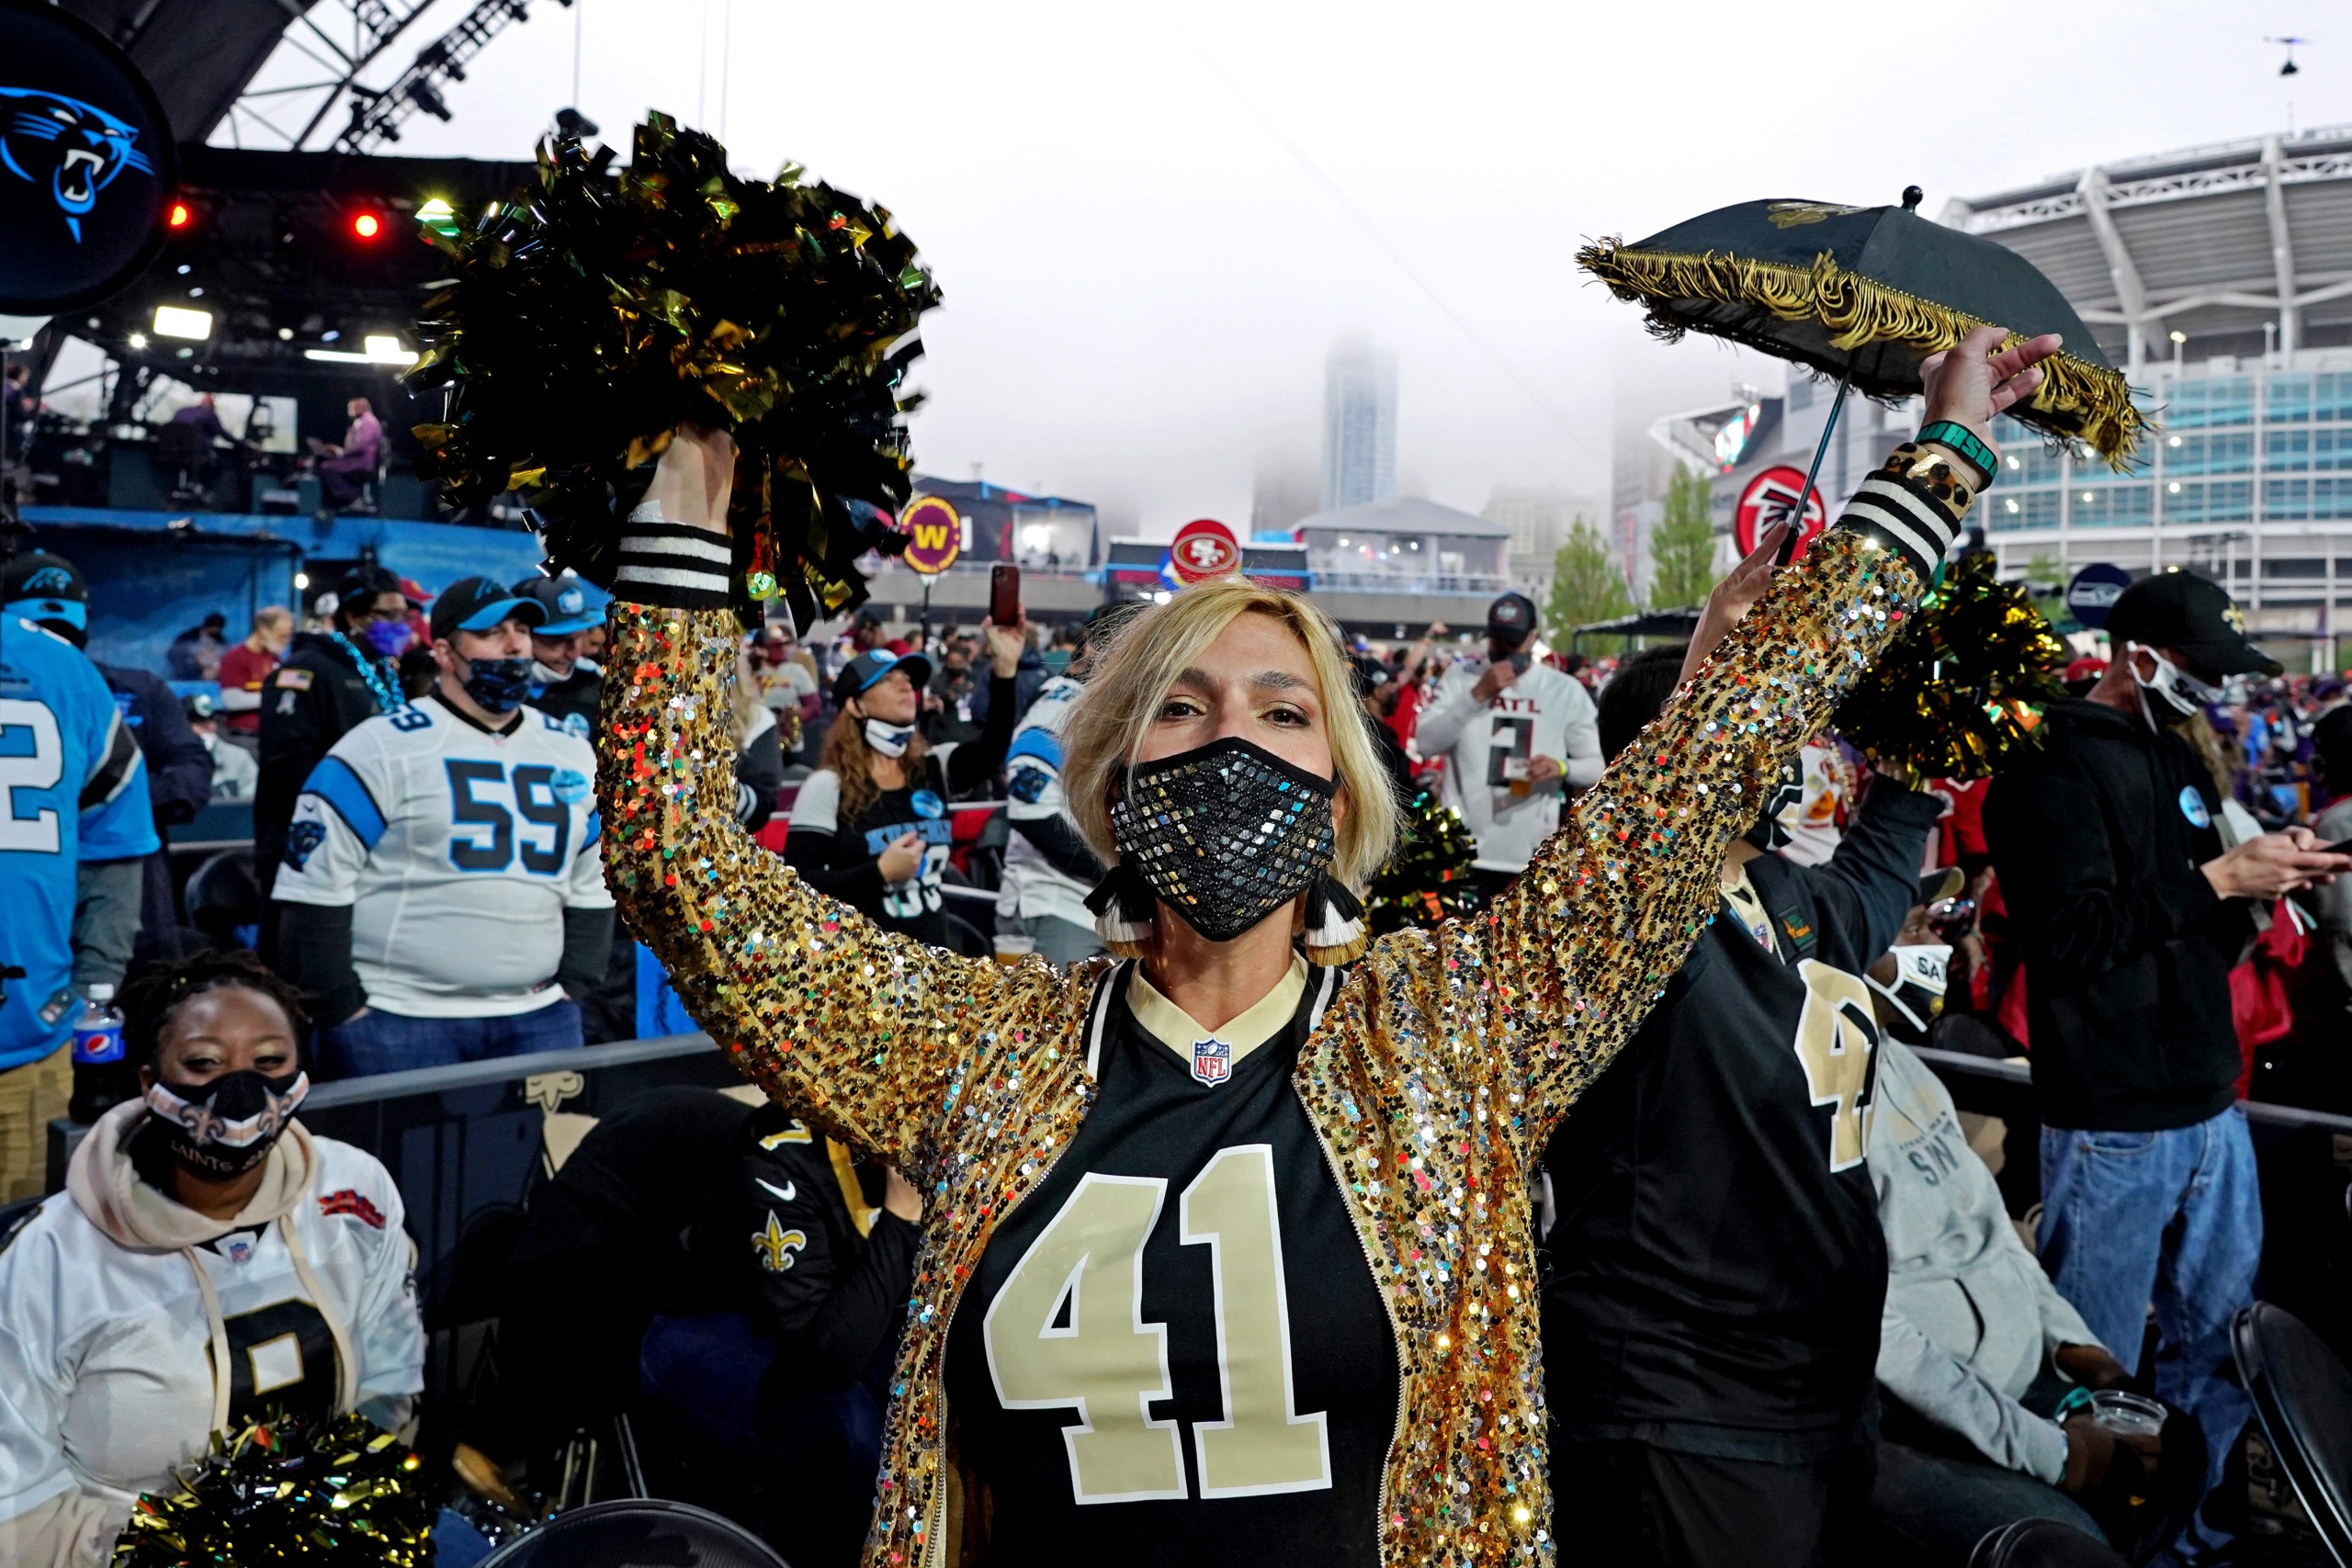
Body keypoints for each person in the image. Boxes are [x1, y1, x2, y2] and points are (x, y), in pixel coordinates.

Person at [590, 325, 2027, 1564]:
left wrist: (1939, 456)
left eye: (1284, 712)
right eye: (1181, 704)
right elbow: (677, 867)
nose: (1231, 735)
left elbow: (1700, 771)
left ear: (1341, 792)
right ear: (1110, 778)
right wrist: (686, 504)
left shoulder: (1455, 1034)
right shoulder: (979, 1047)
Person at [1539, 635, 1947, 1568]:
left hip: (1820, 1380)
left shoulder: (1782, 892)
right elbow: (1635, 866)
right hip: (1684, 1395)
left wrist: (1930, 742)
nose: (1790, 752)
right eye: (1762, 726)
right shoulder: (1622, 921)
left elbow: (1880, 868)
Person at [1983, 570, 2351, 1562]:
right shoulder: (2046, 763)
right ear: (2133, 656)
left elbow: (2183, 913)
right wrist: (2220, 878)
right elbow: (2070, 937)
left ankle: (2184, 1545)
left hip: (2208, 1101)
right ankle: (2078, 1547)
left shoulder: (2171, 755)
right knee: (2093, 1373)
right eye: (2201, 670)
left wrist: (2260, 880)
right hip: (2111, 1117)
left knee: (2218, 1353)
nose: (2215, 691)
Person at [0, 950, 423, 1566]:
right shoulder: (47, 1259)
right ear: (149, 1080)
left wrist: (357, 1505)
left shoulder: (352, 1190)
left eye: (270, 1061)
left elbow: (392, 1376)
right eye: (204, 1062)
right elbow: (17, 1511)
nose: (242, 1090)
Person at [271, 576, 612, 1077]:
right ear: (446, 653)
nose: (515, 643)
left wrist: (574, 988)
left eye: (520, 628)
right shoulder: (379, 746)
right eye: (492, 632)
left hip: (538, 1018)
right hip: (398, 1021)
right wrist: (342, 1007)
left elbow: (592, 881)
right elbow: (315, 886)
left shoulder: (572, 750)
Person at [1867, 1030, 2153, 1564]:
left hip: (2021, 1389)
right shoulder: (1793, 1098)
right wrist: (2059, 1455)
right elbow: (1879, 1340)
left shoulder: (1897, 1060)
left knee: (2170, 1464)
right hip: (1915, 1428)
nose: (1934, 943)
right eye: (1909, 935)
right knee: (2069, 1552)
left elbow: (1998, 1238)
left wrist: (2089, 1357)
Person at [639, 1100, 924, 1566]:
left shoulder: (958, 1121)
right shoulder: (778, 1149)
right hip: (715, 1326)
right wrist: (899, 1218)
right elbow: (828, 1360)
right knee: (850, 1438)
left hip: (848, 1321)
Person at [0, 558, 156, 1201]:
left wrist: (86, 996)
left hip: (29, 1041)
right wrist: (90, 996)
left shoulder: (75, 677)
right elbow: (113, 858)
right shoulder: (75, 673)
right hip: (28, 1028)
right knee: (17, 1266)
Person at [5, 555, 212, 963]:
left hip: (135, 906)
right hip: (34, 907)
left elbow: (193, 774)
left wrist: (117, 797)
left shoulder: (137, 689)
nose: (52, 645)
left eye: (62, 631)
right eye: (40, 631)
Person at [784, 628, 1023, 945]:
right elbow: (798, 887)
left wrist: (1005, 671)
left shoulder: (931, 767)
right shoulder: (827, 785)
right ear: (856, 706)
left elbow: (992, 750)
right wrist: (879, 873)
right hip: (864, 968)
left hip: (934, 959)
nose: (906, 684)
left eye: (908, 679)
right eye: (887, 680)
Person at [1413, 589, 1604, 903]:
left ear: (1533, 638)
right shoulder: (1462, 677)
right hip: (1463, 854)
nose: (1503, 650)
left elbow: (1597, 766)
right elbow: (1426, 743)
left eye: (1513, 642)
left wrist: (1560, 766)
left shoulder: (1563, 690)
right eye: (1497, 641)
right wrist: (1476, 695)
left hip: (1529, 858)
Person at [254, 566, 413, 908]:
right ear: (353, 615)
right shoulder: (305, 670)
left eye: (404, 614)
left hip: (372, 843)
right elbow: (288, 763)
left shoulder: (382, 670)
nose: (401, 624)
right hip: (307, 845)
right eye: (388, 614)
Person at [992, 604, 1132, 967]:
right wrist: (1119, 874)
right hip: (1055, 906)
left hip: (1106, 911)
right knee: (1048, 1022)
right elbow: (1030, 811)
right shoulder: (1065, 703)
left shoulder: (1123, 715)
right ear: (1092, 650)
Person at [513, 573, 605, 737]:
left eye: (580, 637)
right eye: (559, 640)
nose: (575, 653)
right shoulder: (490, 687)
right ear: (522, 634)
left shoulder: (597, 685)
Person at [214, 605, 292, 752]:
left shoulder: (274, 659)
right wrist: (272, 696)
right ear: (262, 631)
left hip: (270, 737)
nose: (286, 641)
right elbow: (231, 700)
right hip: (245, 739)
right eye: (281, 636)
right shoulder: (235, 658)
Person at [184, 692, 256, 801]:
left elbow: (252, 801)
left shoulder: (239, 757)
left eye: (210, 721)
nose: (206, 727)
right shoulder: (173, 763)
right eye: (198, 723)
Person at [316, 396, 385, 509]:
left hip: (363, 463)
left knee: (327, 467)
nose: (349, 411)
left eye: (351, 408)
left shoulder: (368, 423)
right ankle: (346, 500)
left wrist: (341, 452)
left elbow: (362, 445)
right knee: (329, 464)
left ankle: (353, 498)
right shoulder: (361, 422)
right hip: (356, 460)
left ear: (360, 408)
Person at [164, 612, 227, 682]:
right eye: (217, 629)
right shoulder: (188, 638)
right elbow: (173, 653)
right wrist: (194, 660)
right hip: (188, 666)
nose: (218, 631)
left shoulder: (220, 640)